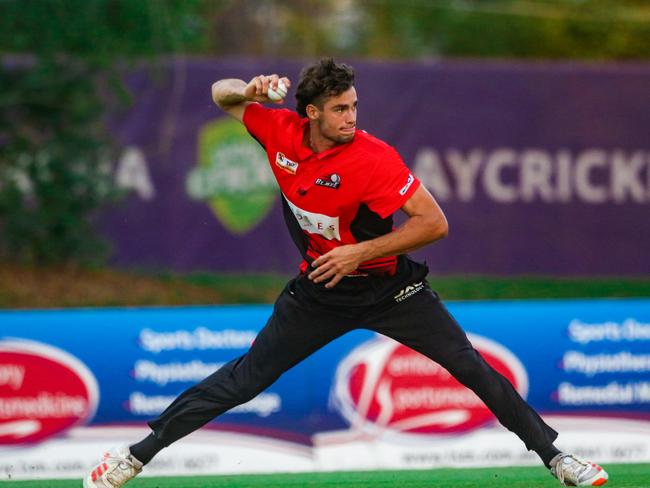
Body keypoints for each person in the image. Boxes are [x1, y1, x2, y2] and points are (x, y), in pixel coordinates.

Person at [84, 58, 608, 488]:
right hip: (319, 291)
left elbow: (435, 223)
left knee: (471, 367)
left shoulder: (374, 158)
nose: (351, 116)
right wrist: (247, 87)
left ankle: (559, 459)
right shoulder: (279, 132)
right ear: (311, 113)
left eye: (354, 105)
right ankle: (133, 457)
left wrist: (361, 253)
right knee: (243, 380)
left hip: (390, 290)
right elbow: (222, 96)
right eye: (339, 109)